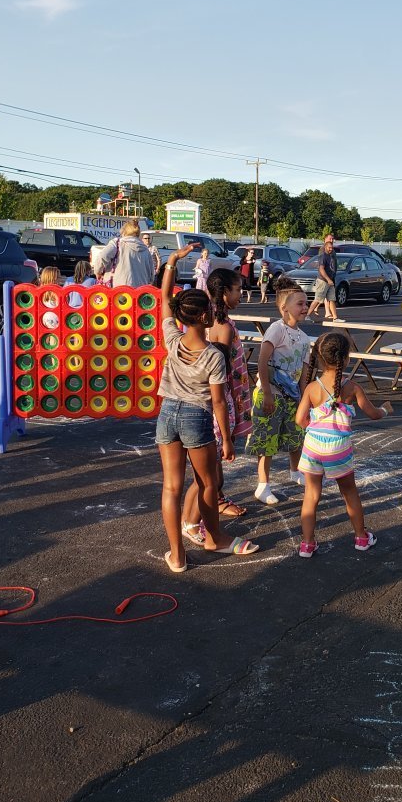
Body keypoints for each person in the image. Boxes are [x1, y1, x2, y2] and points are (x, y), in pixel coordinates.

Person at [156, 245, 259, 572]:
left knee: (171, 487)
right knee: (208, 483)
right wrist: (227, 439)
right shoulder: (214, 355)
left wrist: (171, 264)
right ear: (204, 316)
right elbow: (217, 401)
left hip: (166, 416)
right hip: (195, 418)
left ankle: (177, 554)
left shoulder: (172, 339)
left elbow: (163, 303)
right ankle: (214, 538)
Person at [296, 332, 392, 558]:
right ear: (346, 359)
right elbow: (374, 414)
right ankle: (361, 537)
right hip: (338, 448)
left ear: (319, 358)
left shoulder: (312, 388)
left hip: (313, 446)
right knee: (349, 492)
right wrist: (387, 408)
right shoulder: (352, 388)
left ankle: (307, 544)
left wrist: (316, 425)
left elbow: (300, 420)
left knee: (311, 495)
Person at [181, 267, 253, 542]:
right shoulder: (222, 326)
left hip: (216, 405)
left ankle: (191, 519)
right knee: (208, 477)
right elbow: (217, 371)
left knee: (212, 477)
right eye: (237, 290)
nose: (240, 295)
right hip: (216, 407)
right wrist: (226, 435)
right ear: (224, 292)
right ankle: (189, 522)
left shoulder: (214, 322)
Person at [245, 276, 311, 504]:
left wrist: (304, 399)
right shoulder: (276, 329)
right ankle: (263, 485)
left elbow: (304, 372)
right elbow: (262, 361)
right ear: (285, 308)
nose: (305, 307)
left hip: (292, 397)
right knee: (267, 441)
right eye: (300, 303)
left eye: (306, 303)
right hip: (270, 394)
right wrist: (268, 392)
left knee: (295, 436)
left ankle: (295, 471)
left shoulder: (304, 338)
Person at [94, 219, 155, 288]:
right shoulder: (145, 249)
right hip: (140, 291)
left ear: (124, 232)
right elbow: (151, 274)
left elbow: (103, 256)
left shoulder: (117, 243)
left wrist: (98, 272)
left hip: (119, 290)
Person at [306, 234, 343, 323]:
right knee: (318, 299)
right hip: (323, 280)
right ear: (325, 242)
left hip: (330, 280)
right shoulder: (323, 254)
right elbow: (321, 269)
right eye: (329, 247)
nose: (331, 248)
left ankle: (335, 318)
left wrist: (332, 278)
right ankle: (307, 315)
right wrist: (328, 279)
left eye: (332, 247)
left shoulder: (331, 254)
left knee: (332, 299)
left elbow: (333, 265)